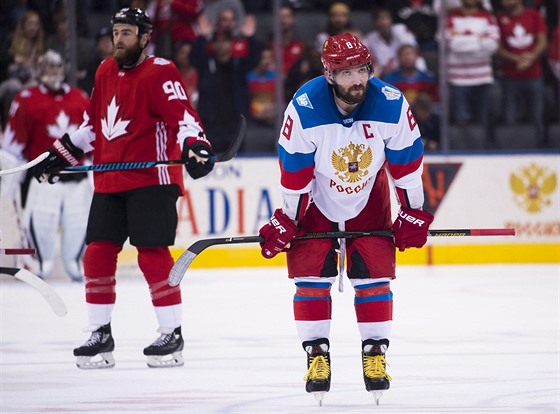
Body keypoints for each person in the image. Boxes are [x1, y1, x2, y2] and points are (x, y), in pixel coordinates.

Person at [31, 8, 215, 369]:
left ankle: (171, 332)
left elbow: (184, 118)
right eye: (116, 32)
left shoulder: (160, 71)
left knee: (151, 254)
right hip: (110, 179)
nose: (119, 39)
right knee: (97, 253)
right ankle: (100, 333)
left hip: (152, 180)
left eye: (127, 33)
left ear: (145, 37)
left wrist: (196, 145)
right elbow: (91, 128)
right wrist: (59, 154)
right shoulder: (104, 71)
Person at [257, 32, 433, 404]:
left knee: (374, 275)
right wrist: (287, 220)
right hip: (317, 199)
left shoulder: (390, 104)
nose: (357, 79)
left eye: (362, 69)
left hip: (370, 195)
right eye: (347, 72)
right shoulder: (303, 107)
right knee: (309, 276)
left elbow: (407, 168)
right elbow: (295, 177)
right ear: (329, 75)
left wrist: (413, 212)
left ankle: (375, 355)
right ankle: (316, 355)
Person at [0, 49, 91, 282]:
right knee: (41, 225)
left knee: (79, 224)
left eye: (58, 67)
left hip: (76, 177)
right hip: (43, 177)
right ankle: (40, 266)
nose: (54, 73)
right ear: (39, 71)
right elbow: (13, 144)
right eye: (49, 68)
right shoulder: (26, 99)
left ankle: (76, 266)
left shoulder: (80, 97)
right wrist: (12, 175)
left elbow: (93, 136)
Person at [496, 0, 548, 145]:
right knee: (510, 117)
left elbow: (542, 41)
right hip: (511, 76)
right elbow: (497, 48)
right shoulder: (500, 19)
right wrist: (517, 59)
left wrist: (531, 57)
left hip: (534, 75)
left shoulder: (534, 15)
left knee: (537, 116)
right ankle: (510, 149)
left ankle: (541, 148)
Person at [444, 0, 499, 127]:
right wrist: (479, 38)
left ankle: (482, 146)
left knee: (482, 120)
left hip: (483, 76)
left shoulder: (487, 17)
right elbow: (452, 44)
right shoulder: (451, 17)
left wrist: (463, 39)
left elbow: (493, 44)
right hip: (458, 79)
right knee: (461, 121)